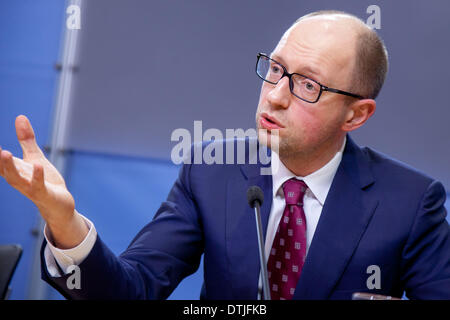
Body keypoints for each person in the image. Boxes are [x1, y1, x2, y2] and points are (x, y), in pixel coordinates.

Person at [1, 10, 449, 300]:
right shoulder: (210, 172)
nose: (274, 97)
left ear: (357, 114)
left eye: (307, 85)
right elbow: (129, 291)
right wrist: (63, 222)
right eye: (275, 70)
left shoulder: (410, 203)